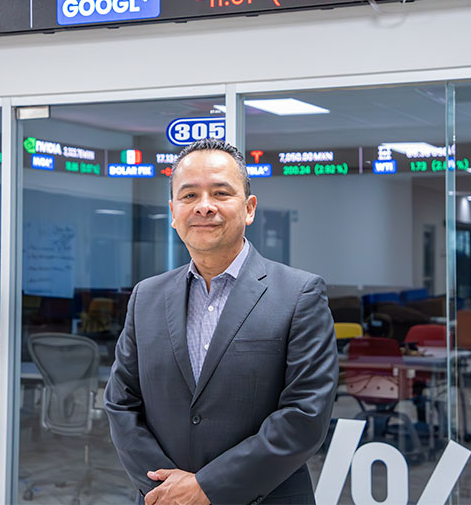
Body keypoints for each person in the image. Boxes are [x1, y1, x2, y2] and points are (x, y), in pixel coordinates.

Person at [104, 138, 338, 505]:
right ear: (173, 211)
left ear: (249, 208)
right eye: (189, 195)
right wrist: (168, 490)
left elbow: (304, 417)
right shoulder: (146, 297)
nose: (204, 206)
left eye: (220, 193)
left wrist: (206, 488)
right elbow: (121, 404)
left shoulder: (299, 295)